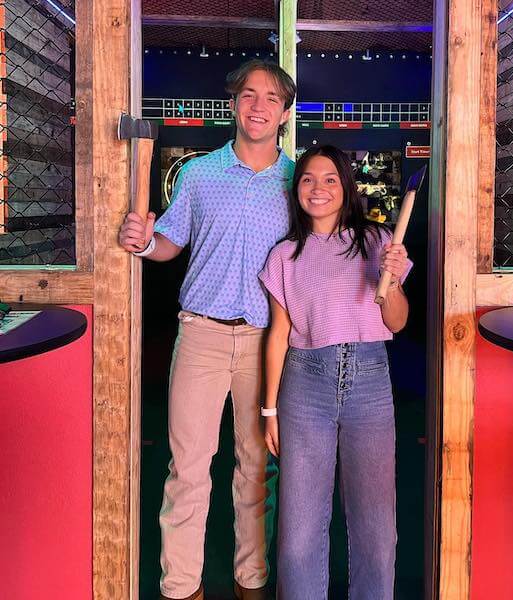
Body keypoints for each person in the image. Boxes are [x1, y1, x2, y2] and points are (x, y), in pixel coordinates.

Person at [118, 60, 296, 600]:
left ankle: (252, 581)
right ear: (233, 103)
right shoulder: (198, 175)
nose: (258, 105)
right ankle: (181, 588)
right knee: (188, 469)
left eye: (270, 97)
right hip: (200, 336)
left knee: (256, 470)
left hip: (268, 343)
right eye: (248, 95)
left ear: (285, 112)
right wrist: (145, 243)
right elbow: (170, 241)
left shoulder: (298, 182)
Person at [258, 145, 412, 600]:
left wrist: (389, 287)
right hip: (305, 386)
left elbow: (398, 321)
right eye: (308, 179)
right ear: (296, 189)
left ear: (347, 186)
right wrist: (269, 409)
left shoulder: (380, 242)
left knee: (375, 526)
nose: (318, 188)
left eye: (329, 179)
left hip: (369, 381)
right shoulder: (284, 256)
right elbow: (278, 335)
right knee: (298, 532)